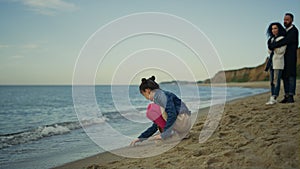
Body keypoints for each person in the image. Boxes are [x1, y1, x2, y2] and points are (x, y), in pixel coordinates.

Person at [130, 76, 191, 146]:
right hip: (184, 121)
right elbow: (156, 124)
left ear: (147, 90)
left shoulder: (160, 96)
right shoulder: (160, 95)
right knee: (155, 112)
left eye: (144, 95)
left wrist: (164, 135)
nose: (146, 98)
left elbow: (172, 114)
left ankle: (175, 134)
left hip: (182, 121)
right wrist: (141, 138)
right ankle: (181, 133)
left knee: (151, 109)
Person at [268, 13, 299, 103]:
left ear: (292, 20)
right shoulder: (284, 31)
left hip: (291, 57)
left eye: (287, 20)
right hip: (283, 57)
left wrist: (273, 45)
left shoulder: (294, 30)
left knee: (291, 76)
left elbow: (286, 41)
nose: (285, 21)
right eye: (284, 19)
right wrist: (271, 44)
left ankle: (291, 96)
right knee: (285, 76)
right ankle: (286, 95)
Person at [265, 22, 287, 105]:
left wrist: (273, 47)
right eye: (272, 29)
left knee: (276, 81)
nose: (273, 30)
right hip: (271, 62)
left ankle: (274, 97)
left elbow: (281, 51)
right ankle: (272, 97)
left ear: (279, 29)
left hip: (278, 62)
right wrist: (273, 47)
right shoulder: (271, 39)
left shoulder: (282, 38)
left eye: (275, 28)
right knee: (271, 81)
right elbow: (269, 51)